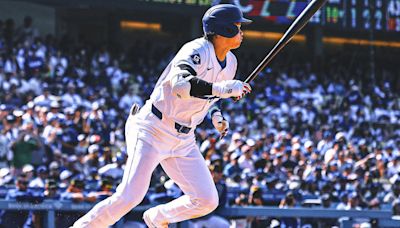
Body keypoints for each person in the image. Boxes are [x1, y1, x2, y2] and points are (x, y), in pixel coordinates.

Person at [73, 4, 252, 228]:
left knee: (207, 200)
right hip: (153, 127)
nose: (241, 31)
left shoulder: (231, 62)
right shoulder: (197, 50)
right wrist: (223, 89)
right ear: (224, 30)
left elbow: (206, 98)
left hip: (184, 138)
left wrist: (216, 114)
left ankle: (157, 218)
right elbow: (180, 86)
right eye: (237, 26)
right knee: (129, 196)